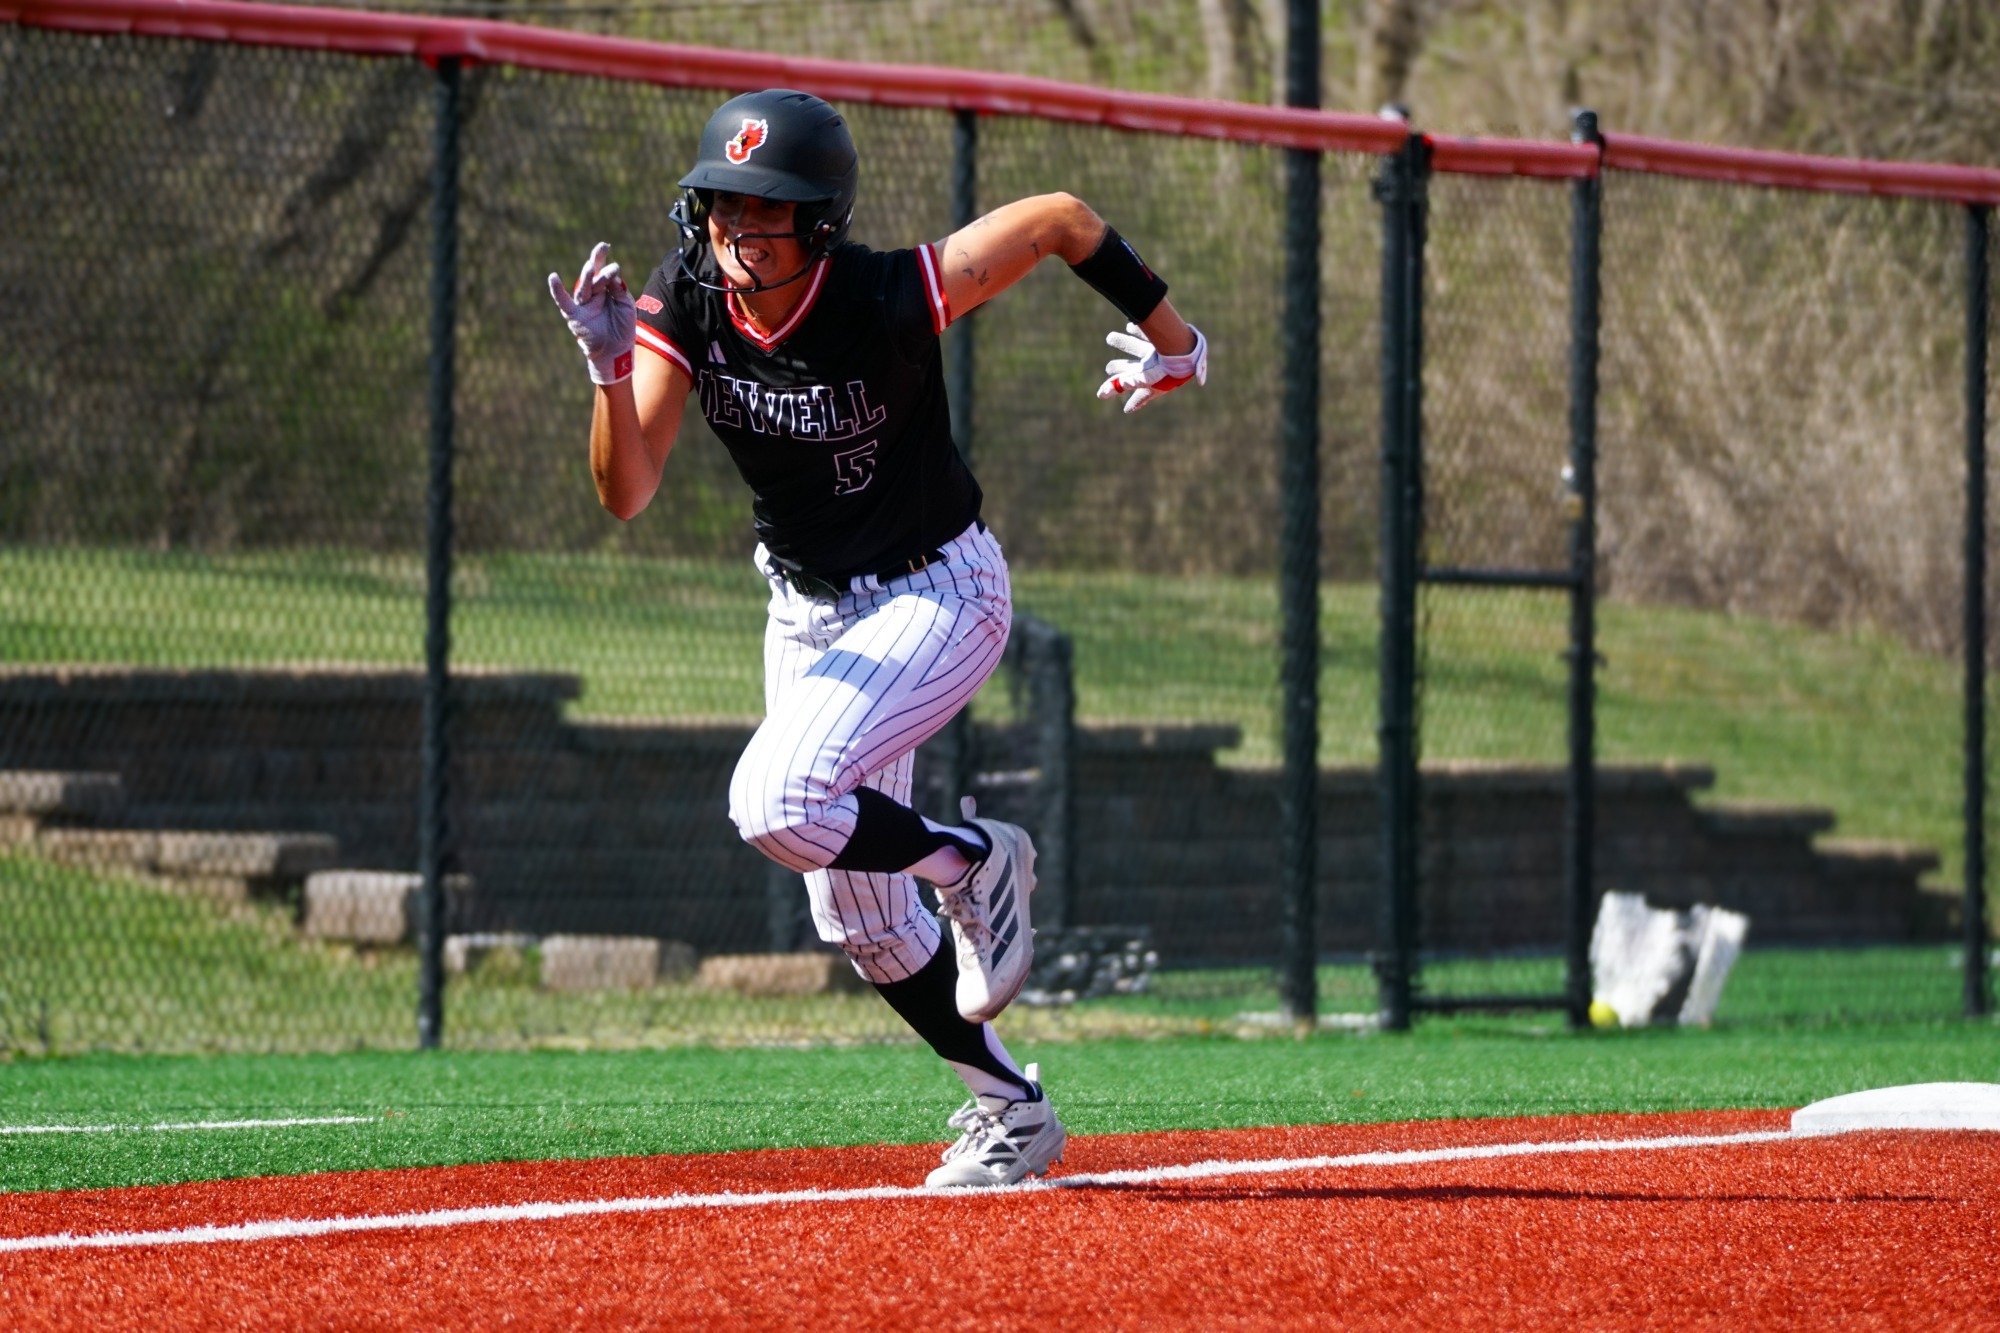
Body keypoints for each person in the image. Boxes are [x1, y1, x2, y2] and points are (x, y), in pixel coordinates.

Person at [548, 88, 1206, 1188]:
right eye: (722, 204)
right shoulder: (689, 295)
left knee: (776, 803)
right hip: (807, 611)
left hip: (938, 593)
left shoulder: (886, 293)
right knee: (855, 907)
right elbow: (626, 491)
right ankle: (1013, 1109)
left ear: (820, 220)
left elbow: (1059, 218)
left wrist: (1176, 345)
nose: (737, 228)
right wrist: (610, 375)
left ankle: (972, 859)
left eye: (766, 208)